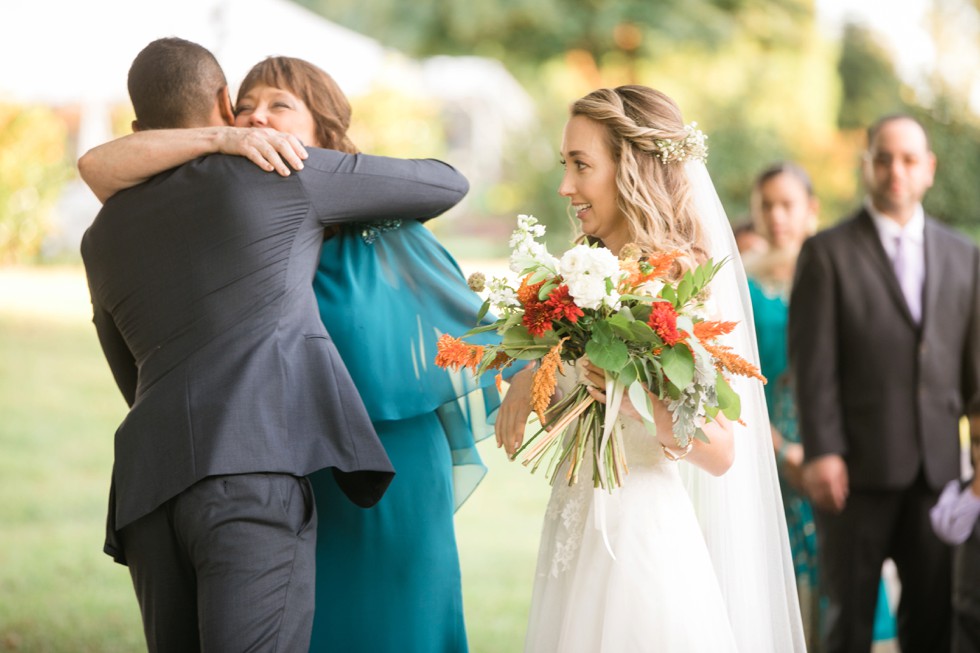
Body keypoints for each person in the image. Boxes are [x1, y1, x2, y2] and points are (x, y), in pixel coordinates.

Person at [80, 51, 507, 653]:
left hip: (192, 481)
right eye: (247, 109)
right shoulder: (262, 185)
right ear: (225, 108)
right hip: (261, 473)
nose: (257, 122)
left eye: (279, 106)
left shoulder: (103, 231)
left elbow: (131, 369)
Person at [496, 85, 805, 652]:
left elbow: (719, 449)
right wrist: (525, 373)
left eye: (580, 165)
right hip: (571, 525)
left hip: (639, 542)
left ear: (630, 168)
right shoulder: (572, 282)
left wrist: (630, 387)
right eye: (564, 165)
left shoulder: (681, 291)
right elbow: (553, 364)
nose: (565, 187)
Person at [789, 114, 980, 653]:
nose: (896, 170)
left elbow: (975, 370)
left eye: (909, 159)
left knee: (933, 624)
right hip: (853, 474)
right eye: (883, 157)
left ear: (929, 170)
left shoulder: (964, 255)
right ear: (867, 165)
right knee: (847, 624)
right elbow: (813, 365)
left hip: (938, 476)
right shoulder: (826, 253)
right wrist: (823, 452)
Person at [931, 418, 980, 653]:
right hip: (969, 614)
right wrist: (976, 491)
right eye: (977, 442)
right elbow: (949, 530)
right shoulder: (958, 491)